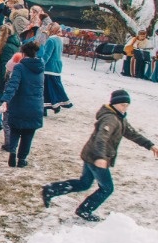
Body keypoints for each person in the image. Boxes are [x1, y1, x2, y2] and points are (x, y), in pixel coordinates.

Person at [42, 89, 158, 221]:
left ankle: (51, 189)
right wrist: (100, 158)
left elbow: (132, 133)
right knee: (107, 188)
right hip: (96, 158)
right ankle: (84, 210)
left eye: (127, 105)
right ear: (114, 104)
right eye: (122, 105)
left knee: (84, 183)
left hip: (91, 155)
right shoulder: (110, 119)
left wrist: (150, 145)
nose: (125, 108)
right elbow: (101, 139)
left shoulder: (119, 117)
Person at [0, 40, 44, 168]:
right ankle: (22, 159)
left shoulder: (20, 67)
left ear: (23, 54)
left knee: (15, 130)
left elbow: (13, 85)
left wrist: (5, 99)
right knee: (28, 134)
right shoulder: (40, 68)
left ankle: (12, 152)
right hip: (35, 106)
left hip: (19, 104)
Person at [37, 23, 72, 112]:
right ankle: (56, 104)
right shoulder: (59, 40)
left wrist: (40, 64)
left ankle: (46, 107)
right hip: (57, 66)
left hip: (49, 67)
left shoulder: (50, 40)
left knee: (46, 89)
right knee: (54, 86)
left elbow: (47, 55)